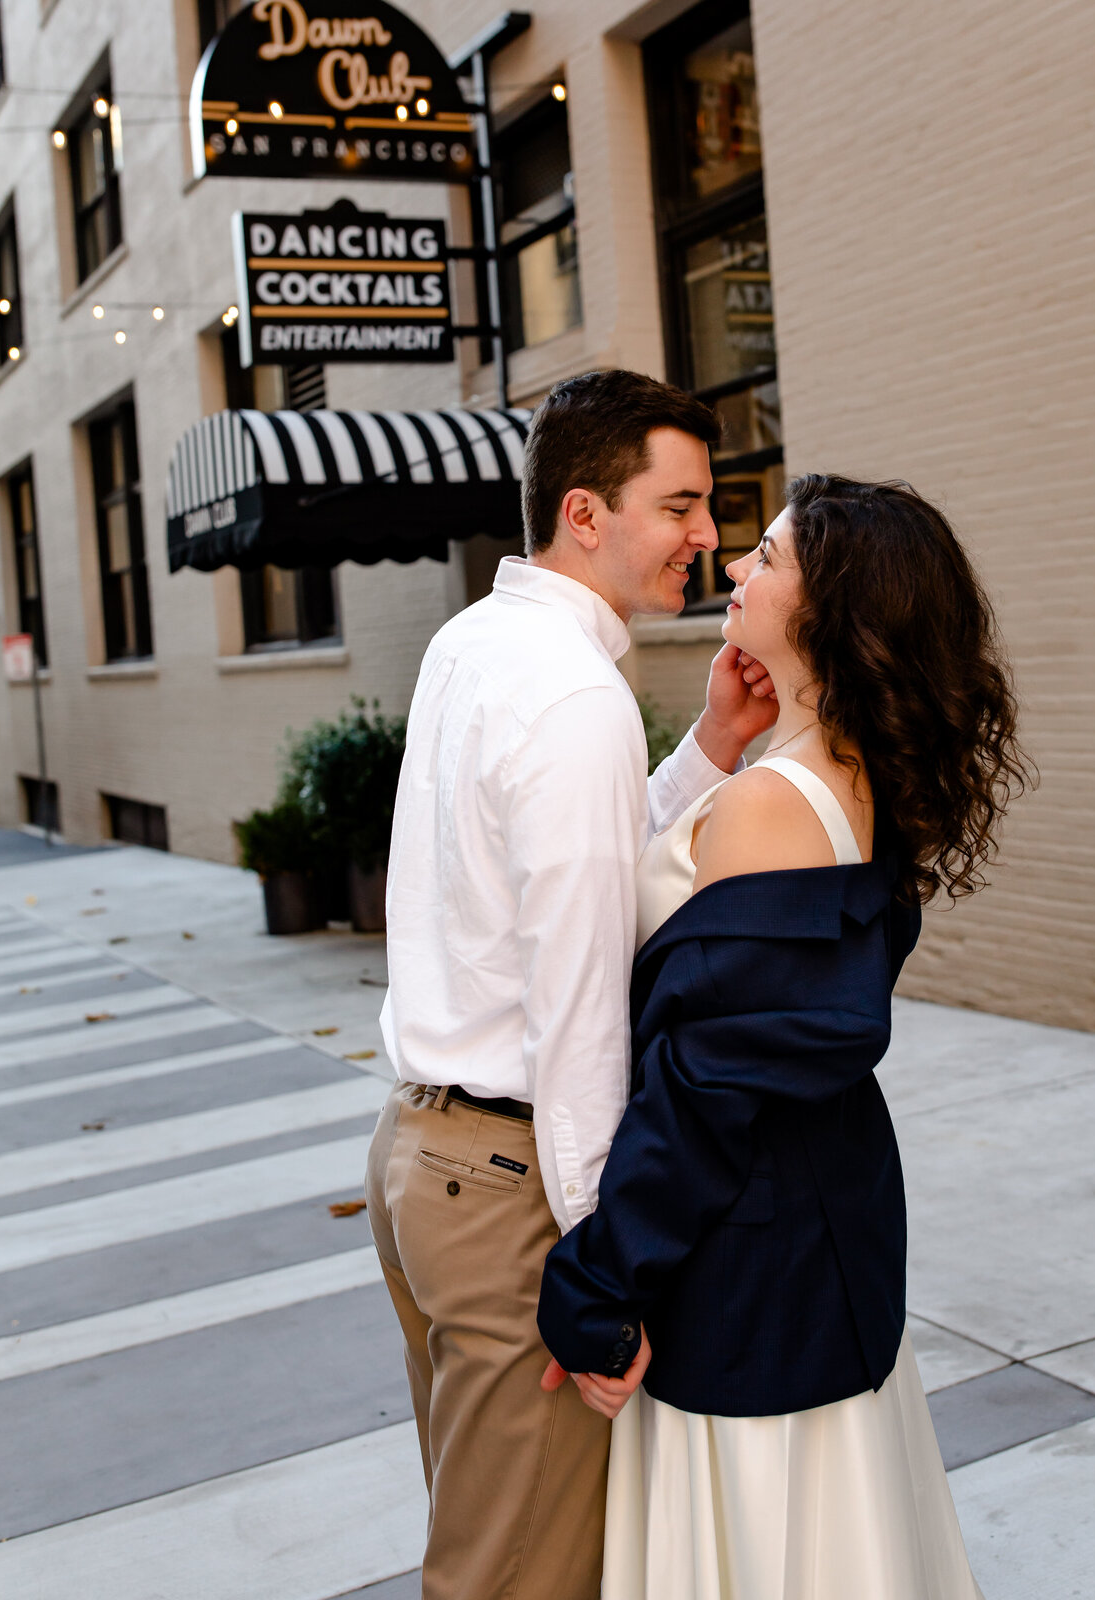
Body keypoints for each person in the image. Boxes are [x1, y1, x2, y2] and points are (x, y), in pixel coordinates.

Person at [537, 472, 1034, 1600]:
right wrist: (727, 738)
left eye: (766, 557)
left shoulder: (771, 807)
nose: (733, 567)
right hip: (820, 1215)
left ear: (826, 610)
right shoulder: (848, 778)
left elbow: (702, 1089)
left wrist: (599, 1285)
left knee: (763, 1543)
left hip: (747, 1248)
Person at [364, 370, 778, 1600]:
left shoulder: (475, 643)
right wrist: (606, 1275)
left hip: (415, 1165)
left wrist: (706, 751)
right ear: (587, 513)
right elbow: (583, 1011)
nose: (709, 537)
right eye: (682, 505)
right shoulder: (577, 694)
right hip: (506, 1195)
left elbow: (561, 888)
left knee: (486, 1539)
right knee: (513, 1578)